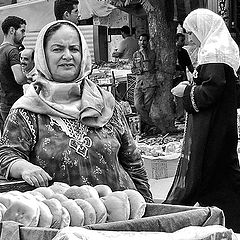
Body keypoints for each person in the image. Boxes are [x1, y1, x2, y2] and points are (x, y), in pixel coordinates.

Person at [0, 20, 153, 203]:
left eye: (74, 49)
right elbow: (7, 155)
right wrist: (24, 167)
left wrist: (148, 208)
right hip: (64, 221)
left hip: (121, 217)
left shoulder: (105, 103)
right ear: (43, 56)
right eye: (57, 49)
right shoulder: (27, 111)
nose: (67, 56)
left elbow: (133, 163)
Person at [164, 8, 240, 232]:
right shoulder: (219, 50)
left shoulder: (214, 52)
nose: (189, 38)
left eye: (190, 32)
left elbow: (212, 90)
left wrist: (186, 92)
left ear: (203, 29)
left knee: (209, 173)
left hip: (213, 129)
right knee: (221, 176)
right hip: (220, 126)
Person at [0, 16, 28, 132]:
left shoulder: (1, 49)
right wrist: (29, 79)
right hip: (14, 104)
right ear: (12, 30)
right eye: (22, 31)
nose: (24, 35)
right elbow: (19, 79)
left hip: (3, 103)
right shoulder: (12, 51)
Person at [131, 33, 158, 135]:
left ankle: (144, 129)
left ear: (148, 42)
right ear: (138, 41)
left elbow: (149, 68)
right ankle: (151, 125)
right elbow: (133, 68)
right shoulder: (135, 54)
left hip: (150, 83)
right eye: (141, 40)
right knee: (137, 105)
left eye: (145, 40)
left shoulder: (152, 53)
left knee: (146, 108)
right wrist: (137, 70)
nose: (143, 42)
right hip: (139, 83)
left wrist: (144, 55)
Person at [174, 33, 194, 123]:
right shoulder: (172, 52)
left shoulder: (184, 52)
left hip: (181, 77)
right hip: (173, 77)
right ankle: (178, 115)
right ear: (176, 40)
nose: (183, 42)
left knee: (181, 96)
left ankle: (180, 116)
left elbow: (189, 65)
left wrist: (195, 74)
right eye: (181, 40)